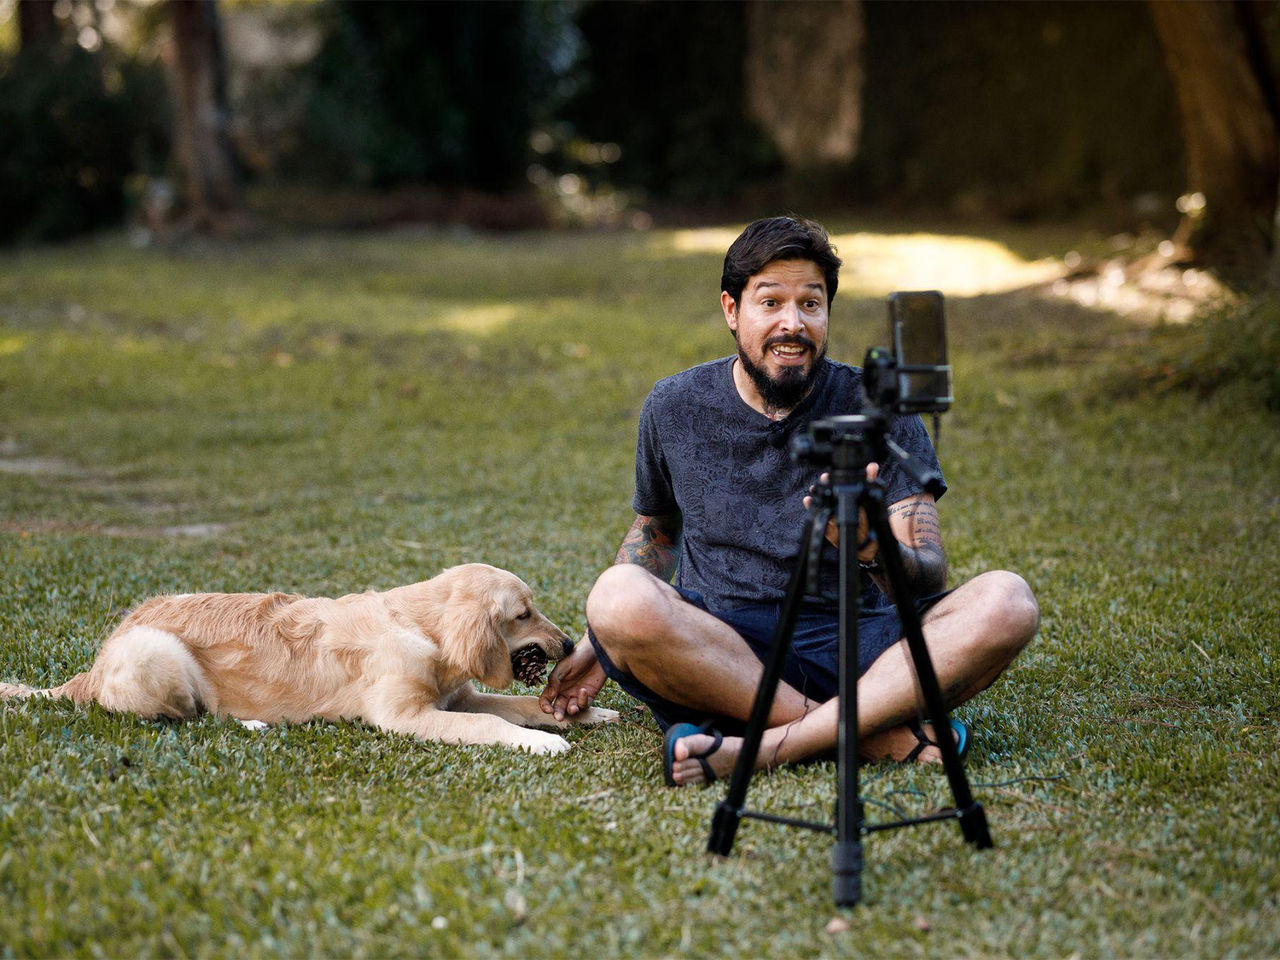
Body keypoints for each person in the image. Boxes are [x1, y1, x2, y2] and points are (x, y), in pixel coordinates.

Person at [539, 216, 1038, 786]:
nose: (791, 323)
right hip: (724, 653)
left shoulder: (876, 407)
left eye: (811, 303)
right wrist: (603, 641)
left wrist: (871, 547)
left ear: (828, 313)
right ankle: (868, 734)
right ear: (732, 310)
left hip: (863, 650)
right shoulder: (675, 405)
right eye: (770, 302)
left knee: (1008, 601)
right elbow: (657, 530)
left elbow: (926, 575)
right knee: (614, 597)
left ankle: (759, 748)